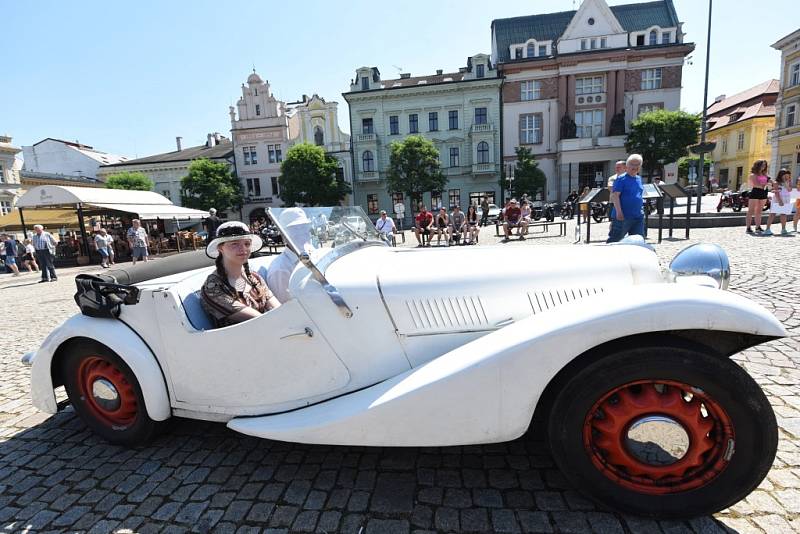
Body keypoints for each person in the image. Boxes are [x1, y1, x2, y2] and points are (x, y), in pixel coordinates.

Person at [201, 221, 280, 328]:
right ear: (220, 248)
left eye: (247, 244)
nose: (243, 249)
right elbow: (260, 320)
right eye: (234, 244)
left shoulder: (254, 277)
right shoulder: (213, 287)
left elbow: (277, 308)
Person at [266, 208, 312, 303]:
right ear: (283, 235)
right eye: (295, 229)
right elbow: (287, 308)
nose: (302, 233)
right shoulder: (280, 269)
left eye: (304, 227)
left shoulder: (312, 253)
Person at [607, 154, 645, 243]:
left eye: (637, 164)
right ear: (627, 166)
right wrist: (619, 212)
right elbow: (615, 196)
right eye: (632, 164)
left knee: (638, 241)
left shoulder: (638, 179)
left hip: (637, 216)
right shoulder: (621, 179)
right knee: (615, 240)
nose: (635, 167)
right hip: (623, 217)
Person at [763, 169, 793, 236]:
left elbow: (789, 190)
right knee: (772, 214)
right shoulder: (776, 182)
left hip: (786, 199)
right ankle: (767, 229)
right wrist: (780, 201)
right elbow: (776, 193)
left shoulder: (789, 182)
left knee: (783, 214)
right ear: (781, 175)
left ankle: (783, 229)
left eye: (787, 175)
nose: (786, 176)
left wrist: (786, 183)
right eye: (785, 175)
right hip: (777, 199)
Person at [746, 160, 770, 234]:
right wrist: (766, 184)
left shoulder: (765, 175)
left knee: (759, 211)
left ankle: (758, 227)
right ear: (758, 165)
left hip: (763, 192)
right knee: (751, 210)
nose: (763, 166)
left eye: (765, 165)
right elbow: (756, 184)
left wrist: (767, 184)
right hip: (755, 192)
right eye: (762, 165)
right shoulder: (753, 175)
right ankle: (748, 227)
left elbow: (769, 182)